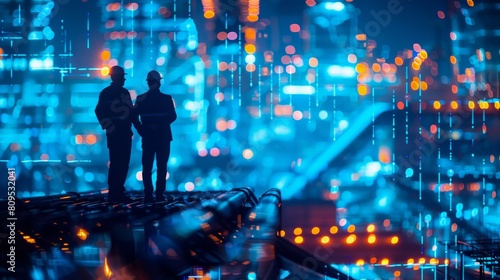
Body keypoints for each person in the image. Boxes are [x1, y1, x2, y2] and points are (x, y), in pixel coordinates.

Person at [95, 66, 140, 203]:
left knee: (116, 162)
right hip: (123, 133)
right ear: (117, 77)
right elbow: (131, 113)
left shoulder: (106, 93)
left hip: (116, 133)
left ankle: (115, 191)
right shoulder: (122, 93)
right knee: (121, 162)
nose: (124, 79)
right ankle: (116, 191)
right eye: (122, 76)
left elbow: (99, 111)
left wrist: (108, 126)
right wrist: (140, 128)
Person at [134, 70, 177, 203]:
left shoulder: (141, 99)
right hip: (163, 137)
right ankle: (159, 195)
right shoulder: (166, 99)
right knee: (161, 166)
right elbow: (173, 116)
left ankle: (148, 194)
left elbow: (133, 116)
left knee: (147, 166)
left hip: (148, 137)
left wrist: (142, 130)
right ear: (159, 82)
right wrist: (160, 125)